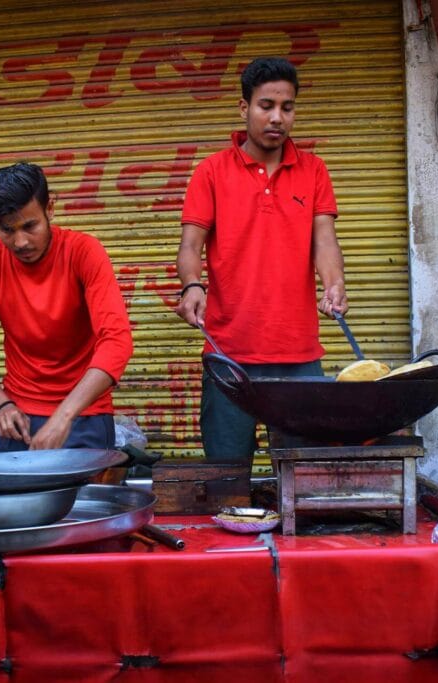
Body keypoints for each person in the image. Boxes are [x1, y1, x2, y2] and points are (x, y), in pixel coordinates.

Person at [175, 56, 346, 463]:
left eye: (287, 107)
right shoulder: (211, 172)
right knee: (227, 473)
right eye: (265, 105)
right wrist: (192, 286)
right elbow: (189, 245)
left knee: (302, 475)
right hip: (228, 352)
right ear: (244, 108)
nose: (277, 117)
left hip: (299, 354)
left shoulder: (314, 170)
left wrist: (334, 283)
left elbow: (324, 239)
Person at [0, 163, 132, 452]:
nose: (20, 242)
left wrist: (63, 417)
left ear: (50, 208)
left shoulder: (84, 252)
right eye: (6, 230)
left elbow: (117, 341)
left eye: (29, 226)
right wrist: (1, 404)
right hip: (18, 418)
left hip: (84, 414)